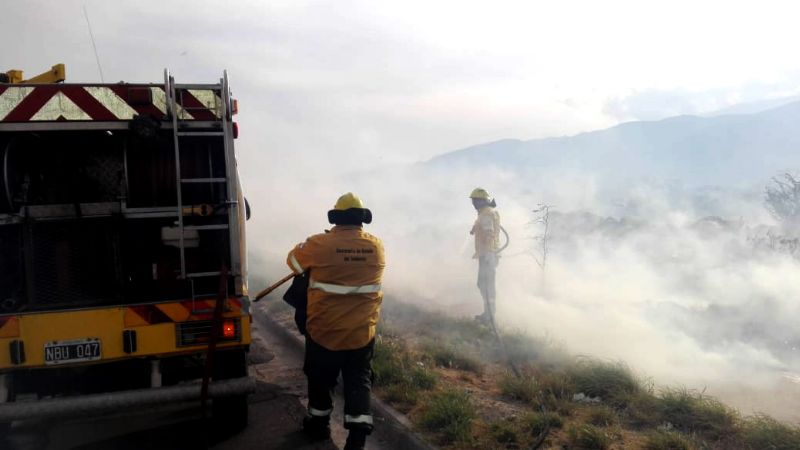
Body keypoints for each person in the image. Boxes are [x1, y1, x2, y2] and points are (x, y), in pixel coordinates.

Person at [286, 192, 386, 450]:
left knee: (320, 378)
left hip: (323, 331)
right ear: (362, 219)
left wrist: (309, 245)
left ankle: (319, 425)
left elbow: (294, 264)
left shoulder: (321, 244)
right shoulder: (376, 246)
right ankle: (357, 437)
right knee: (359, 380)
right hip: (361, 332)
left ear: (336, 218)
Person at [469, 187, 500, 324]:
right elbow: (483, 227)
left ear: (482, 201)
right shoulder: (485, 213)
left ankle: (489, 316)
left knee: (486, 285)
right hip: (487, 254)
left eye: (475, 200)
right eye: (473, 201)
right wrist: (474, 228)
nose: (474, 203)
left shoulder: (486, 214)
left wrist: (488, 254)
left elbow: (489, 233)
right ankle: (488, 314)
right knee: (484, 284)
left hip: (488, 255)